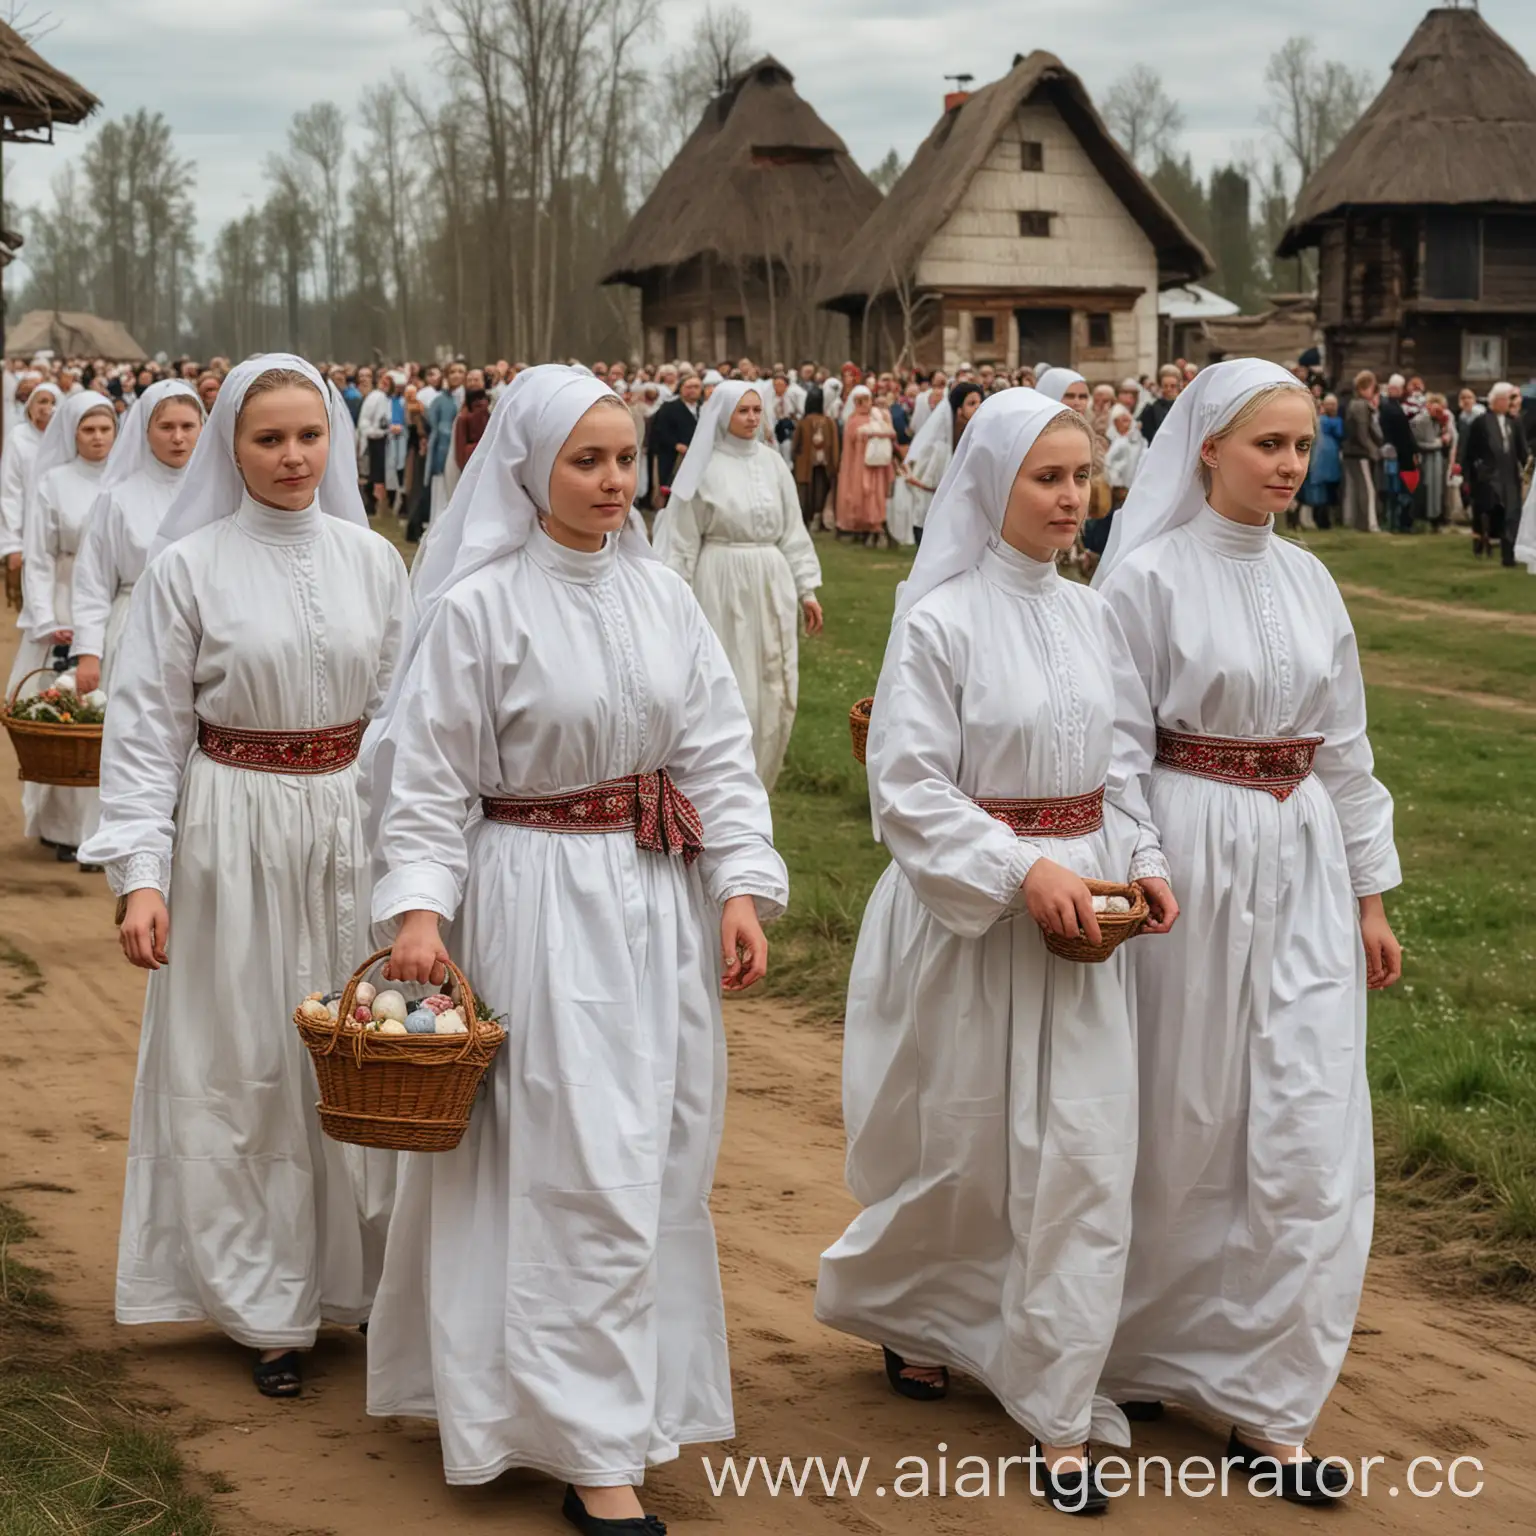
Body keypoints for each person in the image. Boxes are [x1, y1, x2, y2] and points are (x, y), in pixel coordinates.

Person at [359, 365, 787, 1531]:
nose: (613, 481)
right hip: (534, 903)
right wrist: (417, 915)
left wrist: (741, 885)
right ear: (531, 470)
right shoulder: (479, 609)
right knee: (568, 1155)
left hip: (657, 905)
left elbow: (716, 755)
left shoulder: (664, 599)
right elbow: (428, 782)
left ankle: (619, 1401)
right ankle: (590, 1448)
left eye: (625, 459)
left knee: (656, 1151)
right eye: (585, 461)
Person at [817, 388, 1178, 1518]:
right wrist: (1022, 870)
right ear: (992, 486)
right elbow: (909, 788)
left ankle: (1058, 1406)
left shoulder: (1093, 617)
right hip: (967, 925)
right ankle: (921, 1311)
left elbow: (1120, 769)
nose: (1073, 499)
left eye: (1083, 479)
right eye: (1049, 479)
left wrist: (1146, 860)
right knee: (960, 1155)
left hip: (1080, 930)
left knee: (1080, 1156)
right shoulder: (941, 623)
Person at [1093, 359, 1402, 1505]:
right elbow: (1118, 753)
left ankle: (1271, 1401)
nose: (1289, 464)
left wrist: (1370, 894)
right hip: (1192, 856)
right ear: (1209, 448)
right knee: (1184, 1111)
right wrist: (1147, 863)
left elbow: (1348, 748)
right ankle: (1137, 1352)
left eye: (1301, 444)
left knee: (1305, 1125)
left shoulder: (1315, 581)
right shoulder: (1149, 582)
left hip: (1305, 859)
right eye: (1267, 444)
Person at [76, 355, 410, 1400]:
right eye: (269, 439)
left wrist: (419, 867)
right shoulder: (188, 569)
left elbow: (405, 724)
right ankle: (268, 1303)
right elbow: (143, 734)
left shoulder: (374, 562)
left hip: (346, 828)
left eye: (310, 436)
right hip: (231, 827)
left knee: (361, 1054)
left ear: (335, 441)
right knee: (251, 1062)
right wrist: (143, 872)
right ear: (232, 446)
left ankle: (351, 1284)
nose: (292, 456)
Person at [664, 380, 824, 793]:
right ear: (723, 414)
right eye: (743, 411)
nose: (752, 418)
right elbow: (682, 540)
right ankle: (719, 780)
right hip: (719, 580)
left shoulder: (773, 464)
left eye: (757, 410)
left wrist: (806, 588)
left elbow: (793, 530)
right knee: (730, 679)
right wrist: (674, 601)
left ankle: (761, 779)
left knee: (774, 679)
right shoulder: (702, 467)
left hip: (771, 580)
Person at [10, 392, 118, 863]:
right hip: (65, 600)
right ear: (72, 434)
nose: (97, 438)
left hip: (118, 605)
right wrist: (46, 617)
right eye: (88, 430)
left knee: (111, 716)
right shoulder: (53, 482)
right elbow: (38, 556)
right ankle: (62, 827)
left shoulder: (126, 480)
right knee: (68, 713)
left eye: (105, 429)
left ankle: (106, 825)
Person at [71, 381, 205, 701]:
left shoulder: (219, 495)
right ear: (145, 431)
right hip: (137, 627)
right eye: (166, 427)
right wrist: (89, 651)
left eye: (188, 426)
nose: (178, 437)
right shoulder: (118, 498)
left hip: (207, 629)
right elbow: (93, 578)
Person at [897, 381, 983, 549]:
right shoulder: (940, 447)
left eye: (980, 402)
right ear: (958, 410)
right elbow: (932, 483)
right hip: (933, 515)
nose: (978, 407)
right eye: (971, 403)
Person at [1462, 381, 1530, 564]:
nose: (1511, 403)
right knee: (1494, 512)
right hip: (1489, 477)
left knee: (1512, 515)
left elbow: (1523, 451)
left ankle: (1508, 556)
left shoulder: (1514, 423)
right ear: (1499, 400)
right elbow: (1469, 452)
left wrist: (1530, 469)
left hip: (1510, 477)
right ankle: (1484, 540)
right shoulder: (1481, 422)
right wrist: (1468, 477)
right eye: (1508, 399)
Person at [0, 380, 60, 581]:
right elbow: (10, 491)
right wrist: (12, 544)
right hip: (27, 528)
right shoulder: (18, 438)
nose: (46, 408)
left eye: (52, 402)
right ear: (30, 406)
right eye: (41, 401)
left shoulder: (65, 440)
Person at [836, 387, 897, 545]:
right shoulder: (853, 420)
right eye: (861, 401)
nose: (865, 404)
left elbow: (890, 432)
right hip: (860, 465)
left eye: (867, 399)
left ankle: (875, 526)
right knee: (864, 494)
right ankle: (864, 527)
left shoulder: (877, 416)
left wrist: (872, 431)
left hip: (876, 465)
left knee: (875, 495)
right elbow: (852, 440)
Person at [790, 385, 840, 530]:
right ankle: (818, 518)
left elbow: (795, 445)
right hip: (824, 464)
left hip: (806, 464)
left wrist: (795, 458)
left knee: (807, 492)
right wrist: (834, 463)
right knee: (821, 490)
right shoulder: (829, 422)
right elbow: (835, 444)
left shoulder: (803, 422)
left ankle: (808, 518)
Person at [1376, 376, 1419, 534]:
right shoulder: (1391, 408)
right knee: (1396, 491)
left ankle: (1396, 522)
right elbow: (1403, 435)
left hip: (1396, 454)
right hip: (1398, 456)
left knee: (1396, 491)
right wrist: (1412, 453)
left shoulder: (1391, 406)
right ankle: (1397, 523)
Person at [1341, 371, 1383, 532]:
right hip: (1359, 453)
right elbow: (1362, 431)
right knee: (1367, 489)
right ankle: (1369, 524)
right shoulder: (1360, 405)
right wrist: (1372, 451)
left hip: (1353, 451)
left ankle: (1360, 523)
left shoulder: (1355, 404)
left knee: (1360, 488)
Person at [651, 372, 703, 501]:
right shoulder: (669, 408)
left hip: (698, 457)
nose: (693, 390)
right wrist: (676, 444)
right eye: (689, 387)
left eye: (696, 387)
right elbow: (660, 430)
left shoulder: (704, 408)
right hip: (674, 457)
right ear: (681, 388)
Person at [1296, 393, 1344, 531]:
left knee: (1323, 494)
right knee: (1313, 493)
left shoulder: (1324, 422)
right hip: (1316, 462)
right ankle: (1309, 520)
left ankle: (1320, 520)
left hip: (1324, 463)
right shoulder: (1321, 422)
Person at [357, 367, 391, 516]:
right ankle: (371, 505)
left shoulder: (381, 397)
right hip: (371, 440)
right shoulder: (372, 397)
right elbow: (364, 421)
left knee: (378, 474)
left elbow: (384, 420)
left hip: (381, 439)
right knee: (371, 474)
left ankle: (379, 505)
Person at [1137, 366, 1181, 445]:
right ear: (1160, 386)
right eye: (1165, 386)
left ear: (1178, 387)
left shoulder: (1184, 408)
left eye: (1172, 386)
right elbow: (1148, 436)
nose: (1168, 389)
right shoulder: (1150, 409)